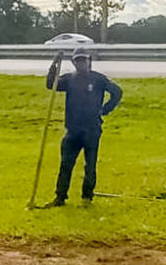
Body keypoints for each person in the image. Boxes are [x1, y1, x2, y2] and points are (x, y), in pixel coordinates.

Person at [47, 47, 122, 206]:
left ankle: (87, 196)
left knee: (90, 165)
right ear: (74, 62)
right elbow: (51, 85)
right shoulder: (68, 79)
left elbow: (117, 92)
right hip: (72, 130)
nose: (81, 63)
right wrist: (54, 64)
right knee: (66, 164)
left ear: (89, 61)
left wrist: (106, 109)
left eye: (84, 60)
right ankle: (60, 197)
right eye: (78, 60)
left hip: (92, 130)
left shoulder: (98, 79)